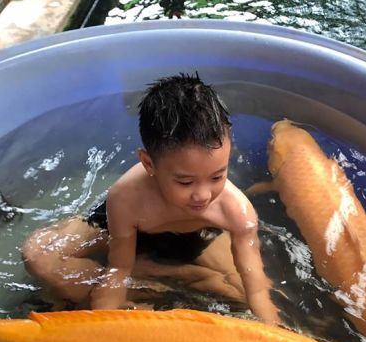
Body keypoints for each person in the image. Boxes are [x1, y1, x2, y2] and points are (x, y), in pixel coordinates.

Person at [22, 73, 281, 325]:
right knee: (39, 255)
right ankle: (163, 279)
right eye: (185, 182)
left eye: (217, 176)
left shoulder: (235, 210)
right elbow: (119, 268)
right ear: (149, 164)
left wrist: (270, 327)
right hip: (123, 230)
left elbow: (257, 288)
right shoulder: (126, 197)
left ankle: (157, 277)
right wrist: (107, 317)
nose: (203, 195)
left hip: (196, 237)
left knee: (239, 296)